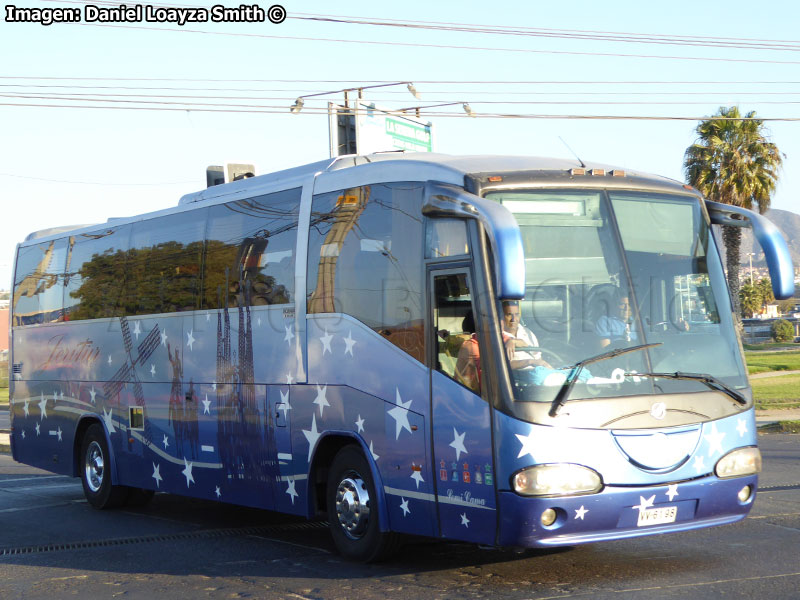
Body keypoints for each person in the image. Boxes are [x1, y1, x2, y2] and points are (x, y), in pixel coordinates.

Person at [501, 301, 551, 369]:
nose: (513, 319)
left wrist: (523, 344)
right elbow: (503, 366)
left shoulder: (527, 333)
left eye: (516, 314)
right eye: (509, 315)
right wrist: (529, 362)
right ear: (502, 317)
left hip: (534, 374)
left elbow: (538, 359)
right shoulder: (498, 337)